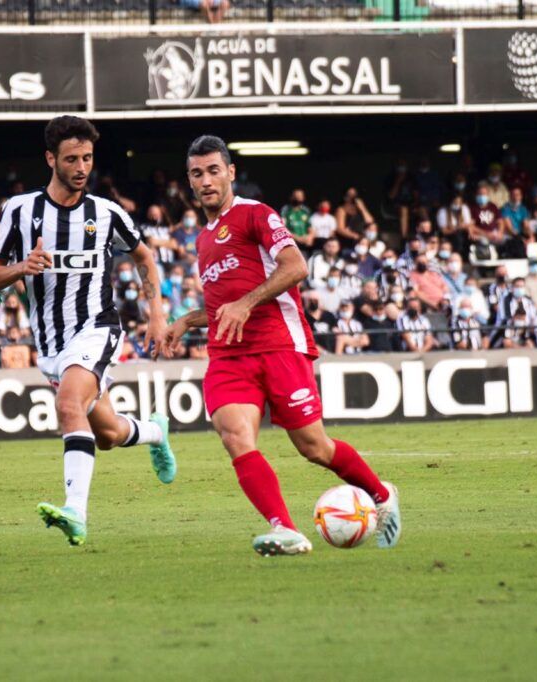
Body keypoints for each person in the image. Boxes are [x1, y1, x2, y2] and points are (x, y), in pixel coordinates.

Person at [161, 134, 400, 556]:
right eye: (197, 174)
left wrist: (247, 303)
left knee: (314, 447)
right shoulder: (202, 240)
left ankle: (382, 495)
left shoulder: (256, 214)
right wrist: (186, 320)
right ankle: (285, 529)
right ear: (190, 181)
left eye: (214, 170)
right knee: (235, 435)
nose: (206, 181)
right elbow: (223, 306)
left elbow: (296, 267)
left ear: (231, 172)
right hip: (229, 354)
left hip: (279, 346)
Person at [0, 116, 176, 547]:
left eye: (87, 158)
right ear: (51, 159)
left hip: (97, 328)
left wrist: (157, 316)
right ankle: (155, 433)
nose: (81, 167)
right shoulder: (20, 211)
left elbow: (145, 257)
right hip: (50, 342)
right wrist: (20, 267)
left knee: (68, 405)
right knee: (106, 434)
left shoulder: (106, 213)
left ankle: (76, 512)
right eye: (72, 158)